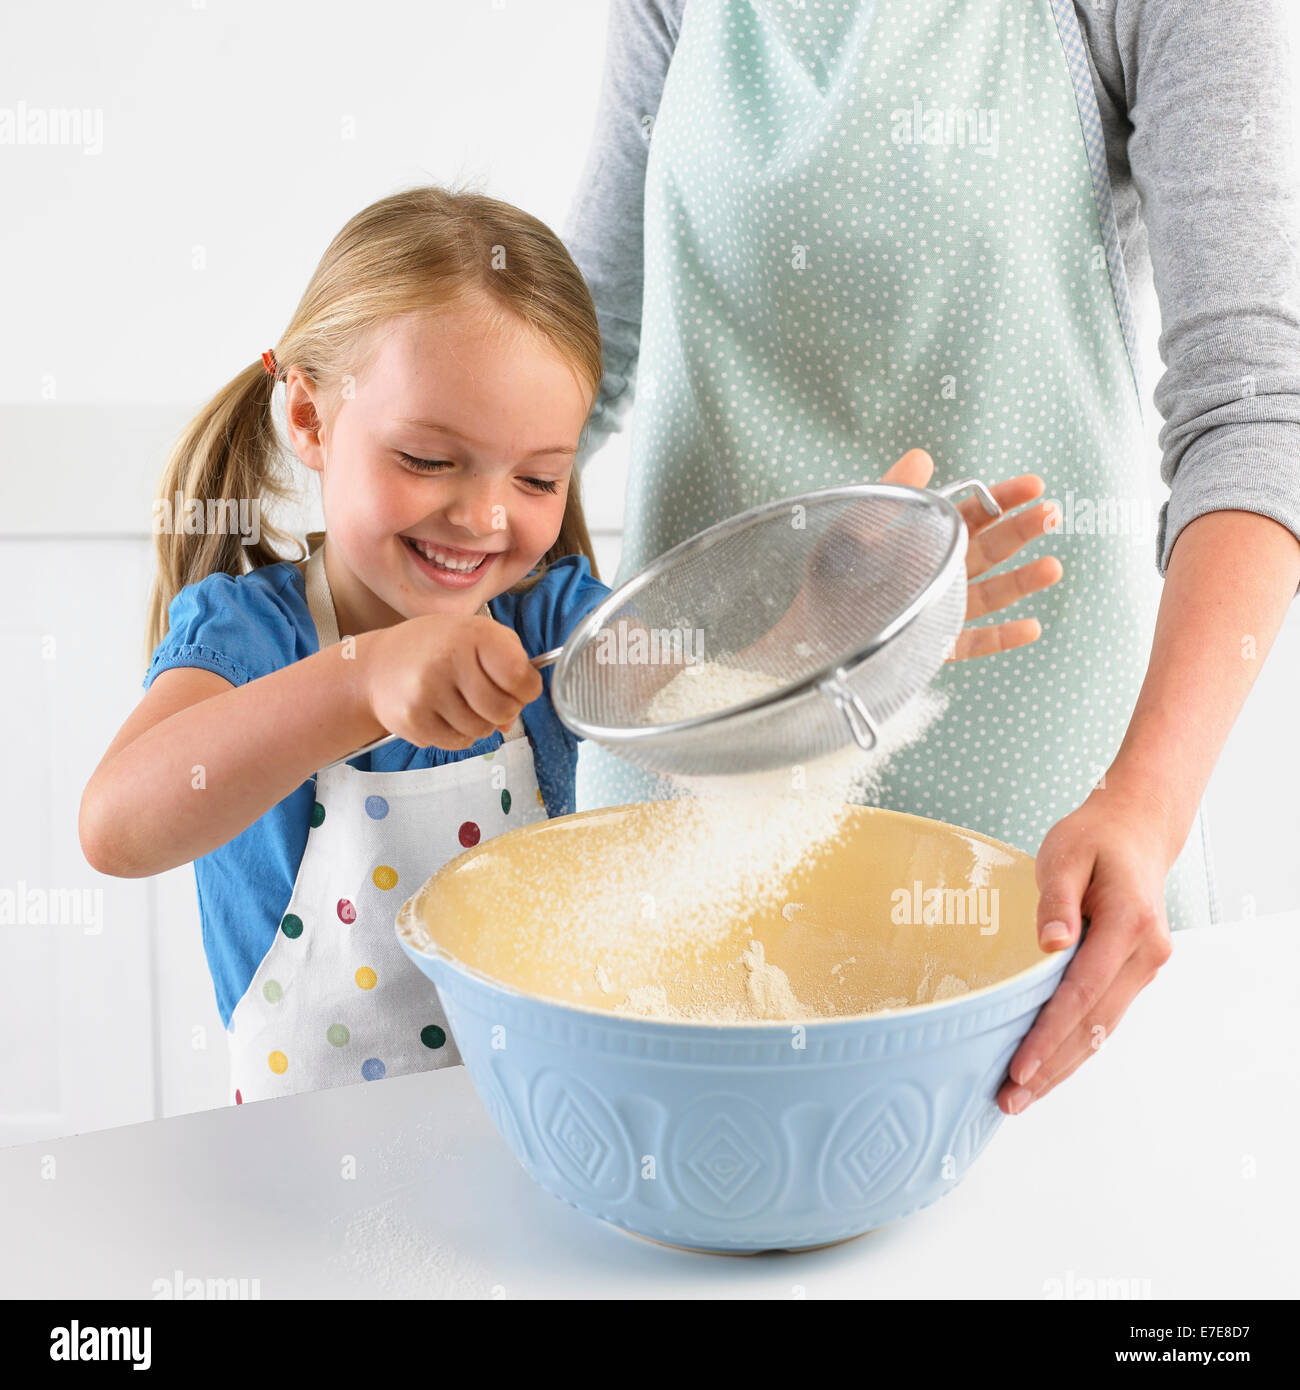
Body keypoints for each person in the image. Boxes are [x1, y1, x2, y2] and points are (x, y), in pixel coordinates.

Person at [77, 184, 1058, 1105]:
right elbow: (117, 825)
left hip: (536, 1125)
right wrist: (361, 679)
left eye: (539, 480)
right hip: (309, 1172)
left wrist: (835, 630)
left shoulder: (554, 626)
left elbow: (714, 706)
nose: (482, 516)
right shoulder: (251, 632)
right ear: (307, 414)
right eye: (427, 458)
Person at [561, 0, 1300, 1114]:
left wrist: (1145, 802)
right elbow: (583, 349)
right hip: (686, 805)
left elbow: (1255, 412)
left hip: (1039, 851)